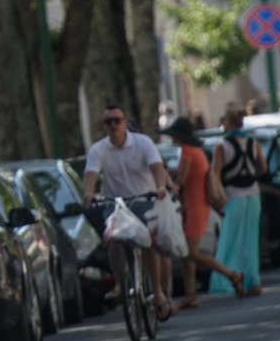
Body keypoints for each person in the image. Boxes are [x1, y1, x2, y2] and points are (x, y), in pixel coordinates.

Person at [82, 103, 179, 320]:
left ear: (125, 123)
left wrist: (161, 186)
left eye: (117, 120)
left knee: (146, 242)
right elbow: (91, 174)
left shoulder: (143, 143)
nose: (113, 125)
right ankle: (119, 283)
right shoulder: (98, 149)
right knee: (113, 240)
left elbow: (157, 168)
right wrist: (88, 193)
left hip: (143, 199)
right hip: (114, 203)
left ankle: (158, 291)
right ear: (104, 126)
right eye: (109, 122)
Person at [169, 117, 241, 309]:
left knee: (192, 253)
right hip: (195, 206)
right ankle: (190, 294)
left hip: (195, 207)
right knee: (186, 255)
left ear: (179, 135)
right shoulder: (197, 150)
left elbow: (181, 181)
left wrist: (170, 187)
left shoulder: (186, 151)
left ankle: (231, 274)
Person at [208, 104, 265, 298]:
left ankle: (231, 278)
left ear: (228, 121)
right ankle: (253, 280)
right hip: (253, 195)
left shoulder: (221, 146)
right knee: (251, 239)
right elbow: (262, 167)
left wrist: (217, 194)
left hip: (234, 195)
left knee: (230, 240)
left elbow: (214, 173)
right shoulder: (253, 143)